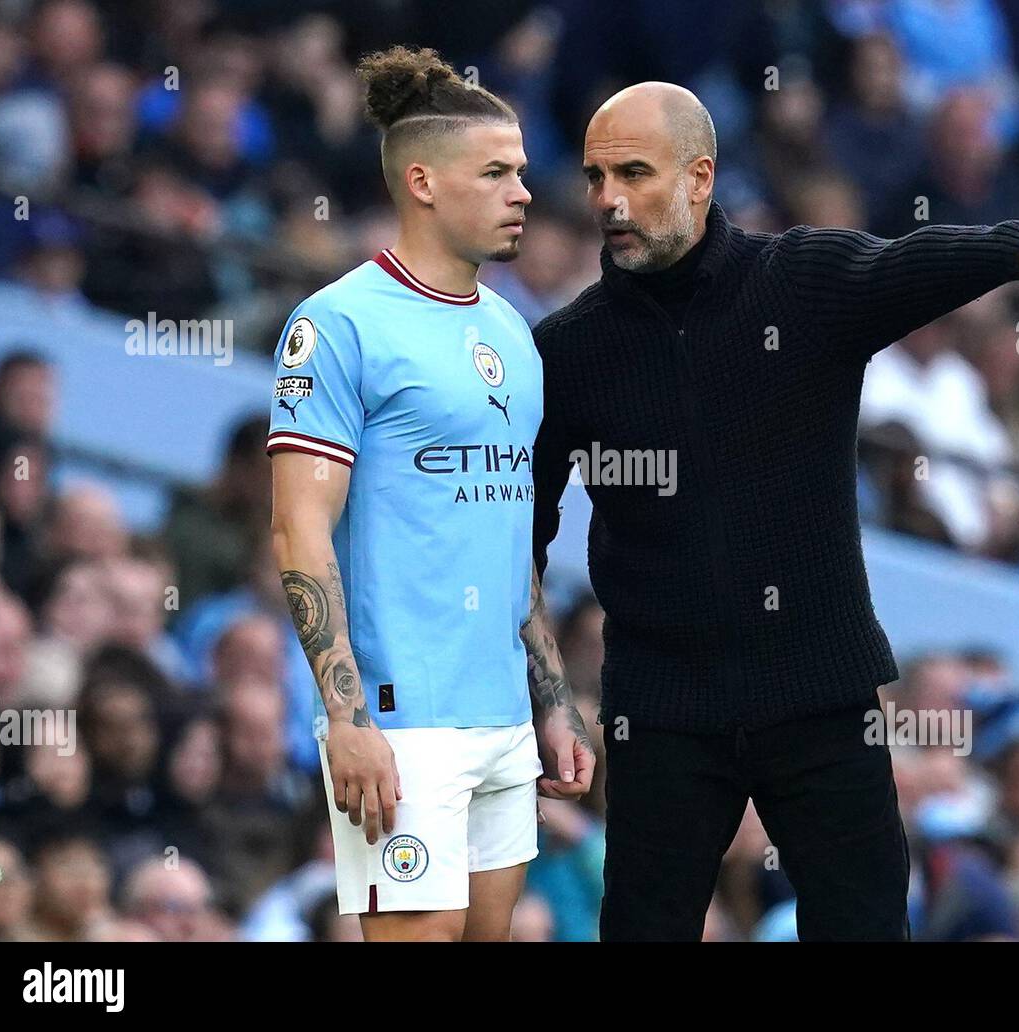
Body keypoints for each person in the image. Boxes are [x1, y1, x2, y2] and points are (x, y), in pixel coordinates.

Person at [532, 80, 1019, 941]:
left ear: (700, 178)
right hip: (660, 711)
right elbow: (519, 544)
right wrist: (549, 696)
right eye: (594, 177)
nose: (608, 200)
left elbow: (906, 264)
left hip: (819, 694)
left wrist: (1018, 246)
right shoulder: (566, 350)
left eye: (634, 173)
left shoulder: (797, 281)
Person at [268, 46, 593, 943]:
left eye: (521, 171)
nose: (522, 192)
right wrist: (346, 717)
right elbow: (299, 528)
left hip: (499, 712)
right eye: (496, 172)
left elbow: (511, 531)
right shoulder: (338, 325)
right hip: (401, 718)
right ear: (422, 181)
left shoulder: (514, 334)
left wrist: (552, 698)